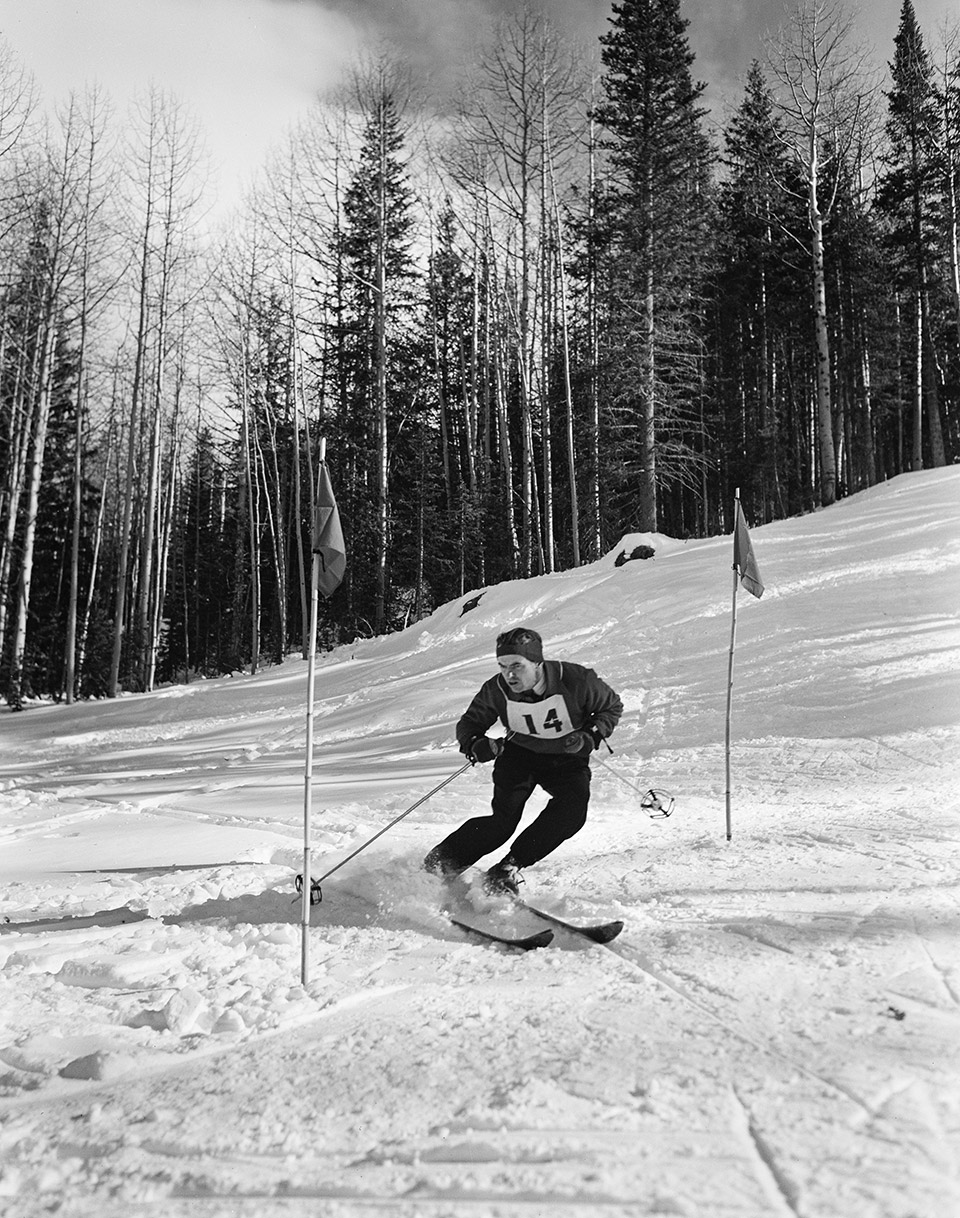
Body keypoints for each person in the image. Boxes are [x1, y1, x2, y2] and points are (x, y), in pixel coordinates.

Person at [423, 627, 623, 894]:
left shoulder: (576, 680)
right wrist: (476, 745)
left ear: (537, 663)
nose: (510, 674)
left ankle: (506, 869)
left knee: (572, 811)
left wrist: (589, 735)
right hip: (519, 755)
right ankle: (438, 866)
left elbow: (612, 706)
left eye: (517, 665)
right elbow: (470, 723)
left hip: (566, 757)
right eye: (503, 666)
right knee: (502, 823)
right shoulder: (497, 688)